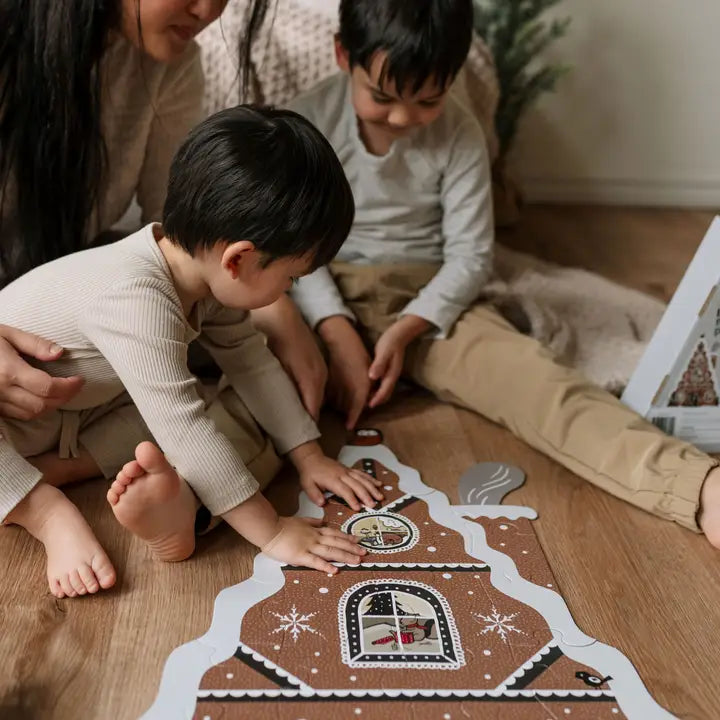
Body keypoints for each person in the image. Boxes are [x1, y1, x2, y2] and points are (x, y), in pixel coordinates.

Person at [278, 0, 720, 548]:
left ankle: (698, 486)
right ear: (345, 55)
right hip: (315, 287)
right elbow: (292, 245)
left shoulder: (460, 134)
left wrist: (411, 325)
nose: (401, 117)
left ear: (455, 77)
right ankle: (188, 493)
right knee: (259, 386)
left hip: (430, 296)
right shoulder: (305, 123)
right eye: (383, 98)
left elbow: (470, 257)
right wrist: (335, 327)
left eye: (427, 101)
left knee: (541, 385)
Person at [0, 105, 386, 599]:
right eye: (291, 277)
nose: (288, 290)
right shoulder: (134, 296)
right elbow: (184, 430)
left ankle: (61, 464)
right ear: (239, 259)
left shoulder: (202, 279)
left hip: (69, 411)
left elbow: (252, 360)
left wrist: (308, 456)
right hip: (16, 420)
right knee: (185, 424)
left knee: (186, 404)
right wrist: (272, 532)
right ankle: (44, 508)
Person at [0, 0, 328, 427]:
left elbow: (188, 242)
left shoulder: (172, 63)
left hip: (59, 319)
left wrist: (284, 319)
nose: (208, 10)